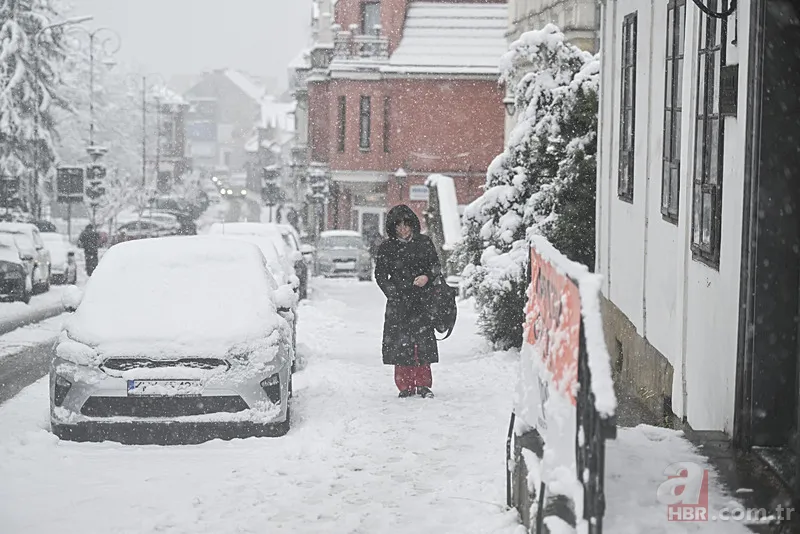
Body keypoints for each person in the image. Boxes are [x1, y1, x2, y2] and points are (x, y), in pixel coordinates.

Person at [375, 204, 442, 398]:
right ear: (393, 228)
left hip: (422, 301)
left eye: (406, 225)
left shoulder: (425, 243)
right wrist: (393, 292)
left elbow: (436, 267)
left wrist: (426, 278)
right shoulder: (387, 248)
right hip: (399, 303)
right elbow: (380, 275)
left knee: (422, 344)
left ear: (413, 225)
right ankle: (404, 386)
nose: (403, 230)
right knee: (400, 345)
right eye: (399, 226)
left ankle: (423, 384)